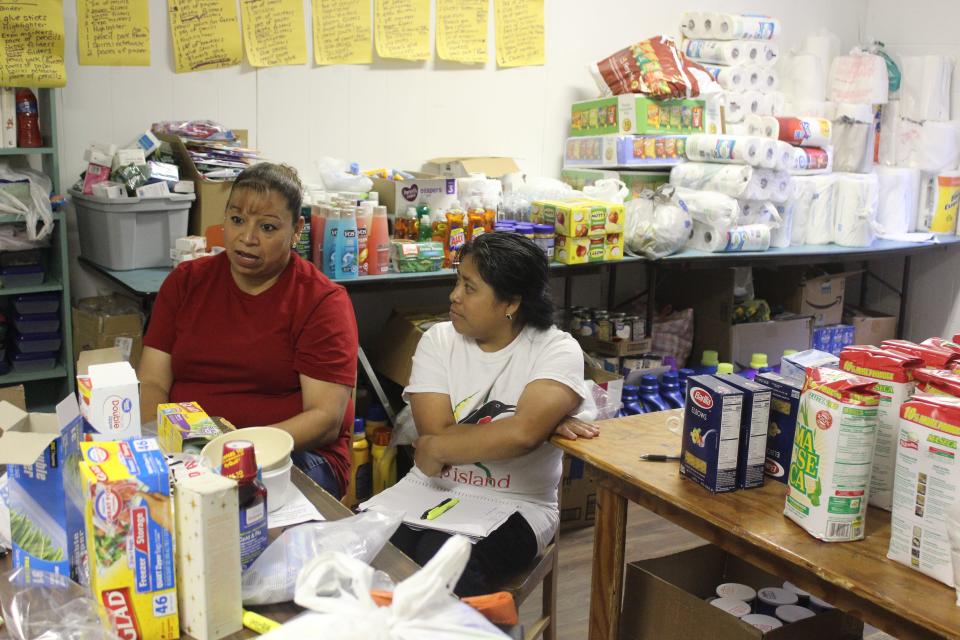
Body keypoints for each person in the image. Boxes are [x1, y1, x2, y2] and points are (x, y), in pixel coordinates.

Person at [380, 232, 598, 596]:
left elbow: (519, 436)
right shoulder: (439, 341)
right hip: (432, 490)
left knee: (442, 564)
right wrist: (520, 425)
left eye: (470, 287)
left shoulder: (557, 350)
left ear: (511, 302)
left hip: (519, 505)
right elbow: (434, 433)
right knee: (373, 549)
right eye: (457, 281)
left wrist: (526, 430)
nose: (454, 295)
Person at [138, 163, 357, 498]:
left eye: (267, 227)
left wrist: (232, 453)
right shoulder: (186, 283)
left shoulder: (320, 301)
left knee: (232, 510)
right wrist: (162, 442)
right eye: (237, 220)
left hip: (291, 454)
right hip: (189, 451)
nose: (247, 238)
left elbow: (325, 418)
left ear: (297, 229)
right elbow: (152, 381)